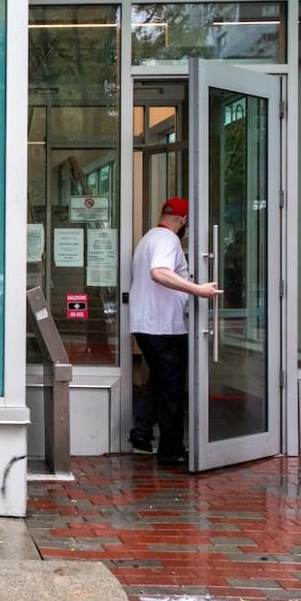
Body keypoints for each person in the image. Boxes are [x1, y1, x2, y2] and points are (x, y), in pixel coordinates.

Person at [128, 197, 221, 466]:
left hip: (147, 324)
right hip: (163, 327)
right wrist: (198, 290)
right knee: (171, 389)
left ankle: (141, 434)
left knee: (159, 381)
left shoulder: (148, 238)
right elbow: (160, 272)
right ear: (183, 221)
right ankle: (170, 450)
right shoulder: (168, 241)